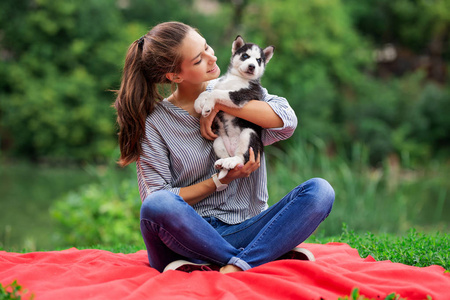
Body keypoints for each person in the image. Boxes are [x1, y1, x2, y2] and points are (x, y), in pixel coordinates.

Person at [114, 21, 334, 274]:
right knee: (156, 205)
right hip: (189, 236)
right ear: (175, 76)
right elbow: (159, 198)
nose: (212, 57)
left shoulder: (235, 87)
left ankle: (232, 263)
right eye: (199, 59)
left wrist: (221, 103)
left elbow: (287, 121)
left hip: (248, 226)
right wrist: (220, 181)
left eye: (206, 46)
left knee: (320, 191)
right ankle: (256, 256)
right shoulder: (155, 124)